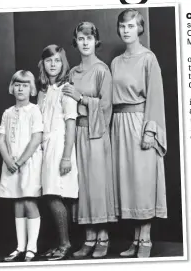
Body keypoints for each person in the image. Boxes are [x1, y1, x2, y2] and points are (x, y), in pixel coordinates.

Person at [111, 8, 167, 258]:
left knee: (143, 183)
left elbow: (155, 96)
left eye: (131, 26)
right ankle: (135, 239)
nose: (126, 30)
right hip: (119, 125)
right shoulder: (115, 61)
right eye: (123, 26)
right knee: (129, 183)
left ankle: (146, 240)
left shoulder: (148, 58)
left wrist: (150, 131)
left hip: (140, 122)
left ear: (140, 29)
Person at [62, 21, 117, 259]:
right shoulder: (72, 72)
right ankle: (89, 238)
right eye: (81, 39)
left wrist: (81, 97)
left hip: (96, 133)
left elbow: (106, 106)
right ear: (76, 42)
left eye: (89, 38)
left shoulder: (102, 70)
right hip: (77, 135)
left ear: (96, 41)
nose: (85, 43)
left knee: (97, 185)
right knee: (82, 186)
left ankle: (103, 238)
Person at [37, 44, 78, 261]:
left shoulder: (67, 89)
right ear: (43, 63)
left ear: (63, 64)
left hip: (60, 146)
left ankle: (65, 244)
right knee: (49, 195)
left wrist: (65, 156)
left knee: (55, 195)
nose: (53, 64)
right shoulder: (43, 90)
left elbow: (70, 125)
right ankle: (58, 243)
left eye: (57, 60)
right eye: (49, 60)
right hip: (44, 147)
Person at [0, 70, 43, 262]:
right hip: (11, 164)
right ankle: (20, 247)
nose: (21, 88)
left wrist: (20, 161)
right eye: (17, 84)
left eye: (25, 85)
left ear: (31, 88)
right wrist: (8, 160)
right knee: (17, 201)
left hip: (29, 162)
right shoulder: (7, 113)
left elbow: (36, 138)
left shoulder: (34, 110)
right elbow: (1, 140)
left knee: (29, 201)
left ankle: (32, 247)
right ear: (12, 87)